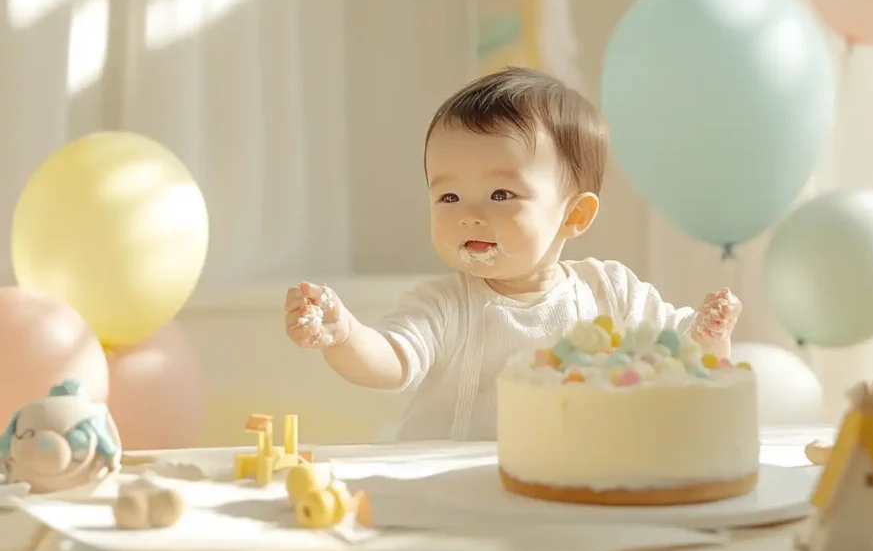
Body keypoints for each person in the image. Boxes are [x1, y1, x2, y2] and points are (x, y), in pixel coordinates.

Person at [284, 67, 741, 441]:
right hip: (457, 488)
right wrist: (344, 335)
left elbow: (682, 351)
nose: (470, 215)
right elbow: (389, 361)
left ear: (575, 215)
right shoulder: (445, 304)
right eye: (448, 198)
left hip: (575, 482)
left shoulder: (610, 291)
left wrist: (709, 331)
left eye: (501, 194)